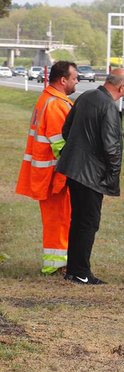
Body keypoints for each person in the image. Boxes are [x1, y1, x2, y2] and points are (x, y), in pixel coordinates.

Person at [56, 68, 124, 285]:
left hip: (73, 169)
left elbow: (66, 130)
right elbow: (112, 148)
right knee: (88, 222)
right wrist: (112, 176)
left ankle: (74, 269)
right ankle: (81, 272)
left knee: (78, 220)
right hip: (91, 175)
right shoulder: (109, 106)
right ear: (122, 87)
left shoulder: (85, 96)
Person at [16, 61, 78, 275]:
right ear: (63, 80)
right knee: (59, 219)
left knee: (56, 218)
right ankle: (57, 264)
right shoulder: (56, 104)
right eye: (74, 78)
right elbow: (60, 143)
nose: (77, 81)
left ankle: (56, 261)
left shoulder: (49, 99)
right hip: (54, 173)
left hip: (48, 171)